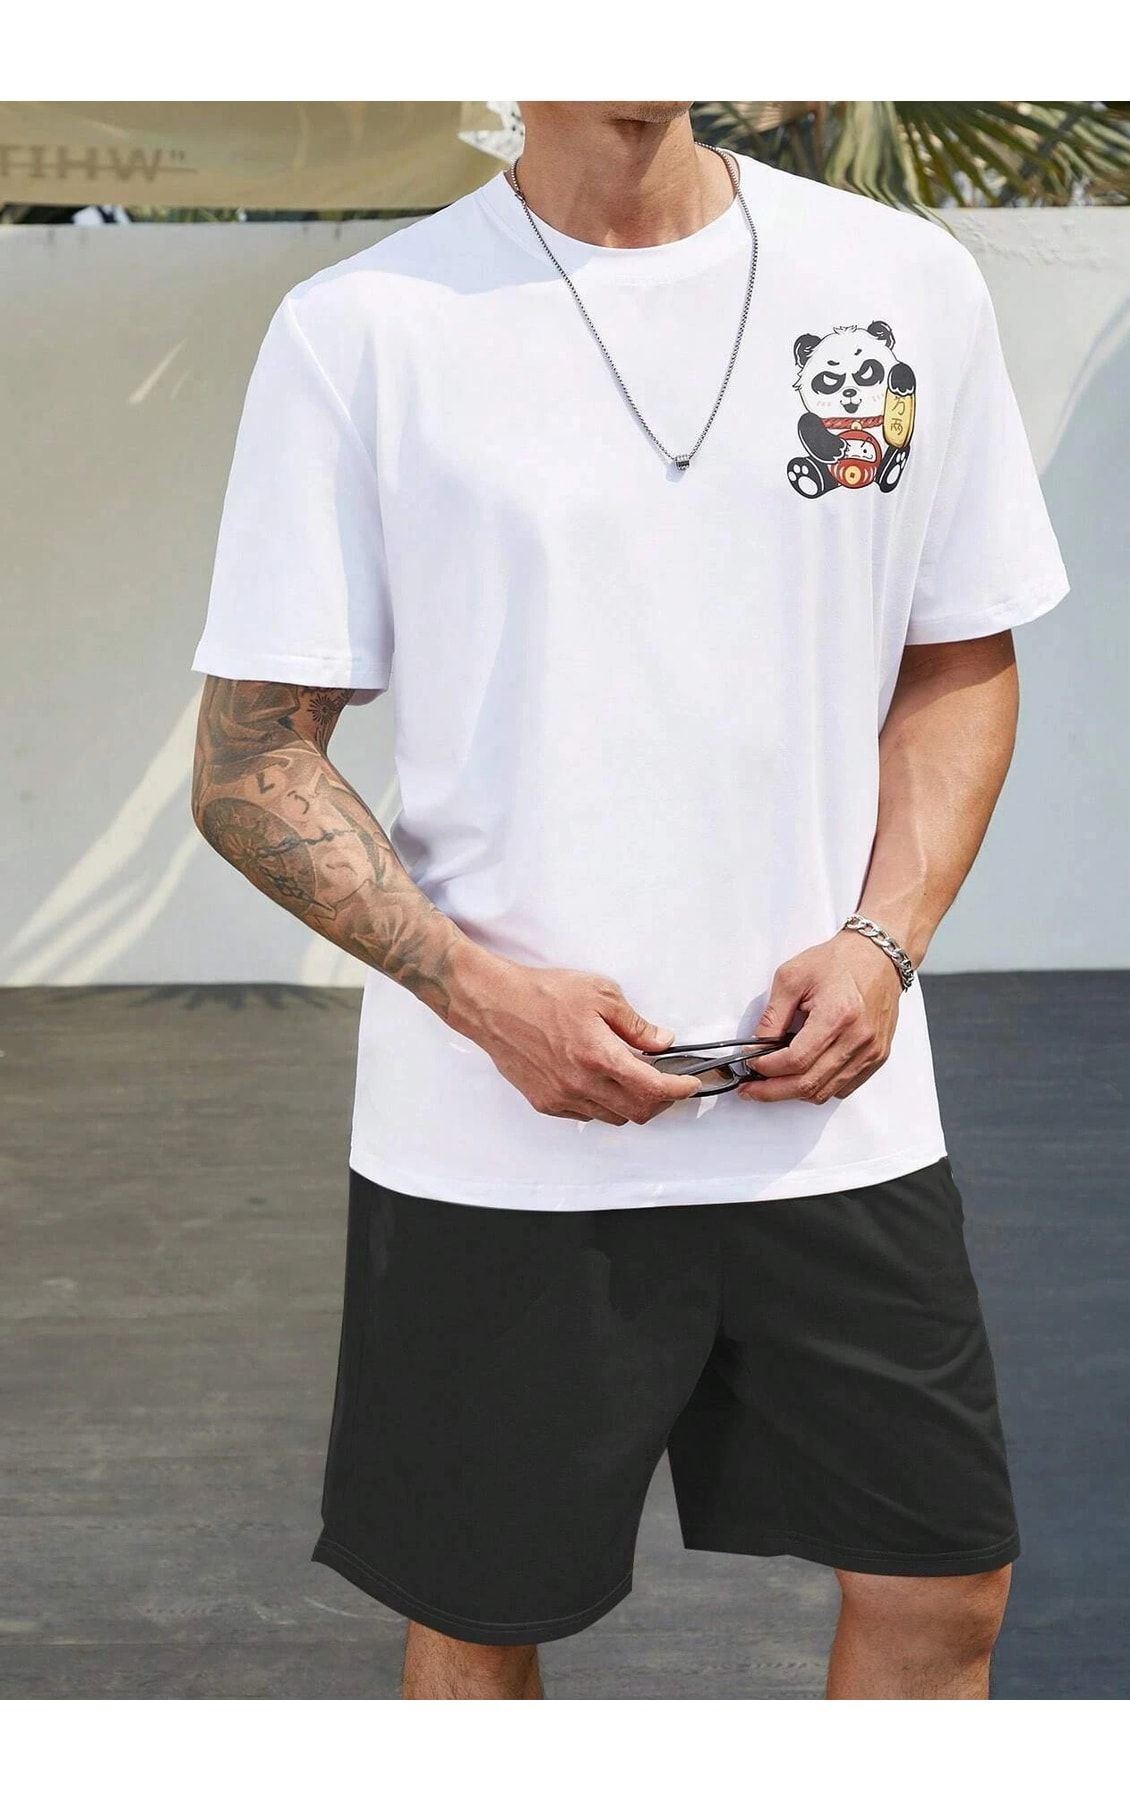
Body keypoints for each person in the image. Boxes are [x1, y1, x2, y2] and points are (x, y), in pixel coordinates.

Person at [190, 102, 1068, 1700]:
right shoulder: (364, 328)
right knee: (478, 1621)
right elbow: (251, 762)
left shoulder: (904, 282)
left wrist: (886, 941)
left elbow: (959, 660)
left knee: (944, 1592)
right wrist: (484, 1000)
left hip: (834, 1123)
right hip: (498, 1144)